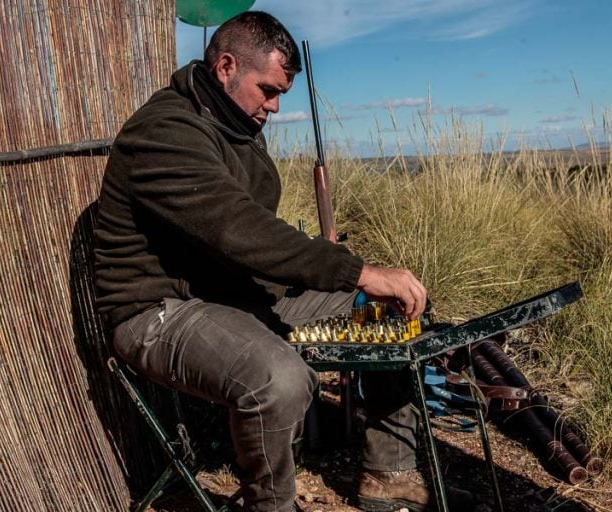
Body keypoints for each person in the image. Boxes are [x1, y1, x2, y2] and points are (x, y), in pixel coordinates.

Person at [94, 11, 434, 512]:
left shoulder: (234, 124)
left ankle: (389, 473)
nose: (274, 107)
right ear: (226, 65)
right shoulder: (165, 131)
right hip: (158, 312)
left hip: (230, 296)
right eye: (268, 90)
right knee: (281, 379)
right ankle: (271, 506)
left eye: (281, 95)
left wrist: (361, 281)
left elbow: (250, 237)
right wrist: (356, 269)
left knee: (392, 307)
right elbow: (239, 229)